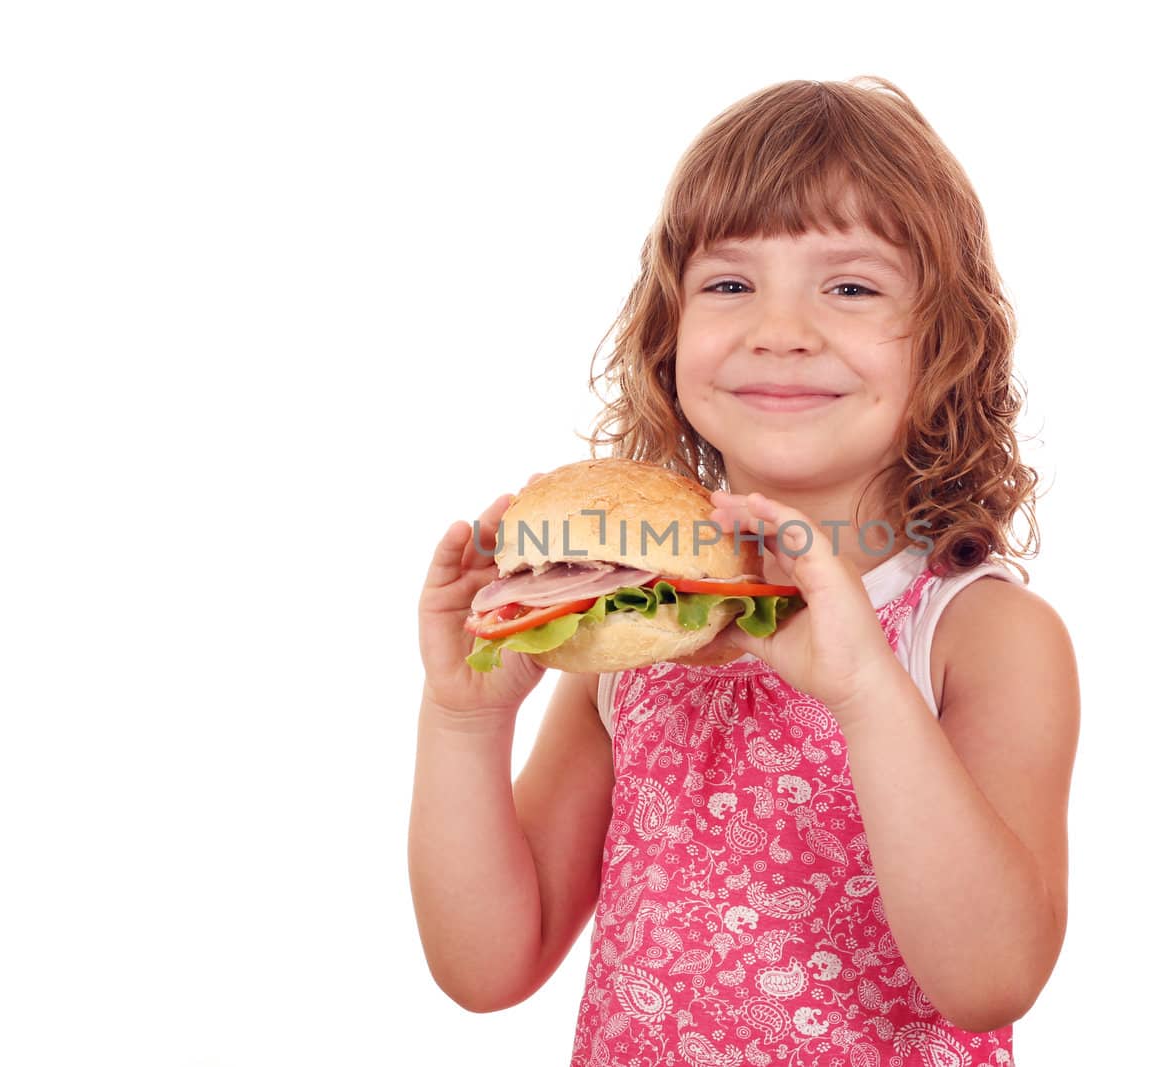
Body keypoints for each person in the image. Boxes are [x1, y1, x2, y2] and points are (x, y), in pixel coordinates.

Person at [411, 76, 1080, 1067]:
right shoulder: (624, 633)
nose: (780, 329)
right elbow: (487, 966)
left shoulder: (980, 631)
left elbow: (988, 982)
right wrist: (465, 718)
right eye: (729, 284)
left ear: (943, 341)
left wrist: (863, 689)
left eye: (849, 286)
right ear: (667, 334)